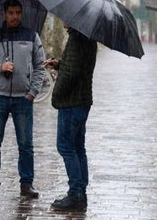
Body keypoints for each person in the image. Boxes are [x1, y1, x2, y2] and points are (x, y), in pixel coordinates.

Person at [0, 0, 46, 198]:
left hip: (23, 98)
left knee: (25, 144)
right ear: (4, 14)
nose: (15, 16)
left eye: (18, 13)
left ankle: (26, 184)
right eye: (11, 13)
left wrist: (33, 92)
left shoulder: (31, 36)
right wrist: (0, 67)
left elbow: (40, 66)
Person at [43, 26, 98, 212]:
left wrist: (56, 94)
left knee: (66, 147)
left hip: (72, 102)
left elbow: (72, 73)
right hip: (82, 101)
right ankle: (81, 192)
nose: (63, 21)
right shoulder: (88, 36)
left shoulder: (76, 39)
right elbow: (76, 66)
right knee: (77, 147)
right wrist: (58, 64)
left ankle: (75, 194)